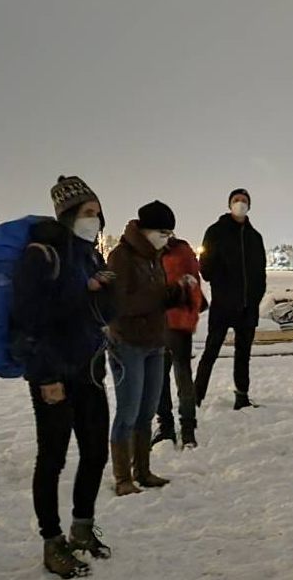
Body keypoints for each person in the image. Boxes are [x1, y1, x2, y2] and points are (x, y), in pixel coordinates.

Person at [12, 175, 115, 578]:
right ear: (69, 214)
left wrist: (105, 290)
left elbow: (106, 314)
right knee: (52, 459)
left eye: (98, 213)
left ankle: (82, 529)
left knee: (95, 453)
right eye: (88, 213)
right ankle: (51, 542)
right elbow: (28, 322)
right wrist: (45, 375)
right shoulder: (42, 254)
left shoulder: (91, 255)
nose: (95, 220)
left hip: (90, 370)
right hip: (54, 374)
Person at [107, 201, 194, 496]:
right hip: (127, 343)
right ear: (144, 230)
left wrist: (176, 291)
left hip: (155, 343)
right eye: (162, 232)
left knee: (146, 411)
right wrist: (163, 295)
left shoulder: (155, 256)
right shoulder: (122, 257)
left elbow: (153, 297)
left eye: (170, 233)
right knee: (128, 411)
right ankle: (122, 477)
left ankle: (142, 470)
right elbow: (122, 303)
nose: (166, 238)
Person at [194, 188, 267, 410]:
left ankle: (242, 396)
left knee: (243, 355)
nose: (240, 203)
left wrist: (255, 297)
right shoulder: (216, 232)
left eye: (244, 200)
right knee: (211, 352)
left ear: (249, 206)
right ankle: (196, 397)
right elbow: (205, 267)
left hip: (248, 307)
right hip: (223, 305)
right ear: (229, 204)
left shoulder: (255, 237)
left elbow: (260, 271)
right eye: (236, 200)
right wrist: (218, 276)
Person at [152, 236, 204, 449]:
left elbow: (194, 287)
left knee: (177, 375)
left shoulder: (179, 252)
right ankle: (170, 426)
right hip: (158, 323)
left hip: (176, 323)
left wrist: (189, 316)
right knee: (163, 377)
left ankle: (183, 427)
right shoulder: (154, 252)